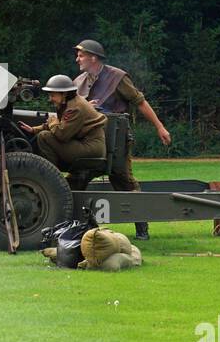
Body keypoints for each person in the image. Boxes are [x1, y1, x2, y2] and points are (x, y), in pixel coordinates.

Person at [72, 39, 171, 240]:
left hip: (115, 141)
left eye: (81, 55)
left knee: (125, 183)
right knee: (76, 182)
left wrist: (159, 127)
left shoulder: (117, 77)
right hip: (87, 143)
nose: (77, 59)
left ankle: (142, 229)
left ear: (94, 57)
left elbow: (140, 102)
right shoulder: (78, 82)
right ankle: (80, 228)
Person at [18, 74, 106, 182]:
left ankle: (51, 178)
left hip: (90, 148)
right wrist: (34, 129)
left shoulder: (75, 108)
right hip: (86, 144)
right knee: (43, 134)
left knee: (44, 137)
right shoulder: (69, 103)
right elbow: (59, 124)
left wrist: (52, 121)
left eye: (52, 95)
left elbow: (62, 134)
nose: (50, 99)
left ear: (64, 94)